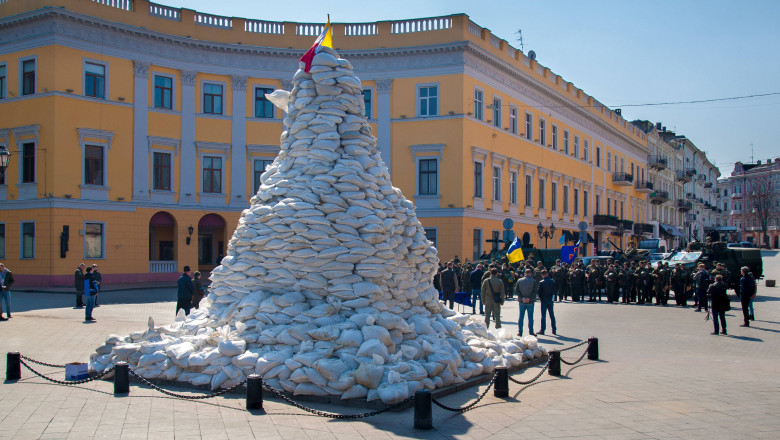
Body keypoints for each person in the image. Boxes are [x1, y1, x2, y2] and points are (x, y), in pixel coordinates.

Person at [514, 268, 537, 336]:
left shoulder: (519, 280)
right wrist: (529, 298)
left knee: (521, 316)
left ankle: (520, 332)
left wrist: (522, 297)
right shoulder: (533, 281)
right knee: (530, 317)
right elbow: (535, 291)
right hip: (530, 301)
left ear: (524, 273)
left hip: (522, 301)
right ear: (530, 273)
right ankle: (531, 331)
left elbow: (517, 290)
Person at [537, 270, 557, 335]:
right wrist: (553, 299)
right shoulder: (552, 281)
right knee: (552, 315)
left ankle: (543, 330)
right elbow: (555, 291)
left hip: (544, 300)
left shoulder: (541, 282)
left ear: (542, 275)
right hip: (550, 300)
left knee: (543, 316)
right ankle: (554, 329)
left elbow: (539, 292)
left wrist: (540, 299)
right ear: (547, 274)